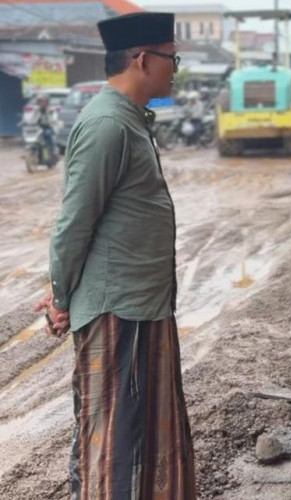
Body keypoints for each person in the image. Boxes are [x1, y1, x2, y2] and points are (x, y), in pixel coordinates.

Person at [34, 12, 196, 499]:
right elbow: (74, 222)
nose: (176, 69)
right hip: (117, 311)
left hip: (141, 305)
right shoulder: (107, 124)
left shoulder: (130, 120)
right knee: (118, 442)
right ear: (143, 60)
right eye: (173, 59)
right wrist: (61, 295)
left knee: (147, 433)